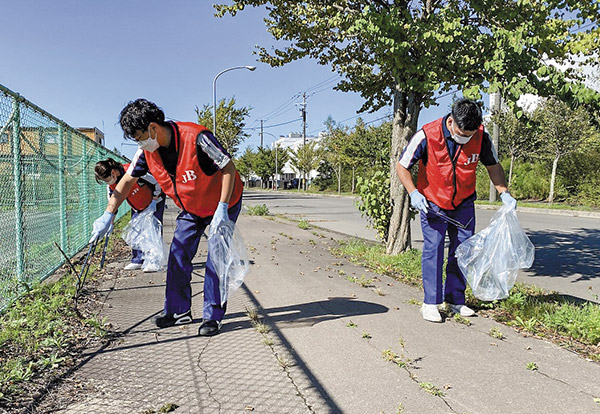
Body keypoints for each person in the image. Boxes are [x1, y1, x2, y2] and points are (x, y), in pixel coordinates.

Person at [89, 99, 244, 336]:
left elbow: (228, 168)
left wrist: (222, 208)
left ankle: (213, 316)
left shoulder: (197, 138)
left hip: (223, 202)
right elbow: (126, 182)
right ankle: (178, 311)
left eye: (139, 136)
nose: (139, 143)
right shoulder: (145, 153)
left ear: (153, 128)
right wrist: (107, 214)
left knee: (216, 255)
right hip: (191, 207)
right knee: (178, 253)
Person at [396, 98, 516, 323]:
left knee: (463, 251)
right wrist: (413, 192)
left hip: (463, 204)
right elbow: (402, 165)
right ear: (451, 121)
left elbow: (493, 166)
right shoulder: (427, 135)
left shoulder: (481, 137)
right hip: (433, 203)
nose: (465, 138)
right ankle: (431, 302)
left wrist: (504, 193)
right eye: (462, 133)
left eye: (470, 134)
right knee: (434, 249)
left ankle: (455, 300)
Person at [94, 158, 165, 272]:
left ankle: (153, 260)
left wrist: (155, 197)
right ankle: (137, 260)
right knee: (136, 231)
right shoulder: (111, 186)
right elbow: (113, 205)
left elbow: (156, 182)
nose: (108, 183)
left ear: (113, 173)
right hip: (137, 206)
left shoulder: (133, 170)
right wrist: (109, 223)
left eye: (107, 180)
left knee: (153, 230)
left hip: (154, 201)